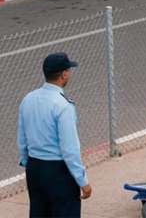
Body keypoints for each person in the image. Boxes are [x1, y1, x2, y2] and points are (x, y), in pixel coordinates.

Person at [18, 52, 91, 217]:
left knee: (39, 213)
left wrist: (27, 162)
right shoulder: (63, 106)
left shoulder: (28, 99)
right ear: (64, 74)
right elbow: (70, 149)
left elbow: (22, 140)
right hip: (58, 171)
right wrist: (83, 181)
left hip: (35, 168)